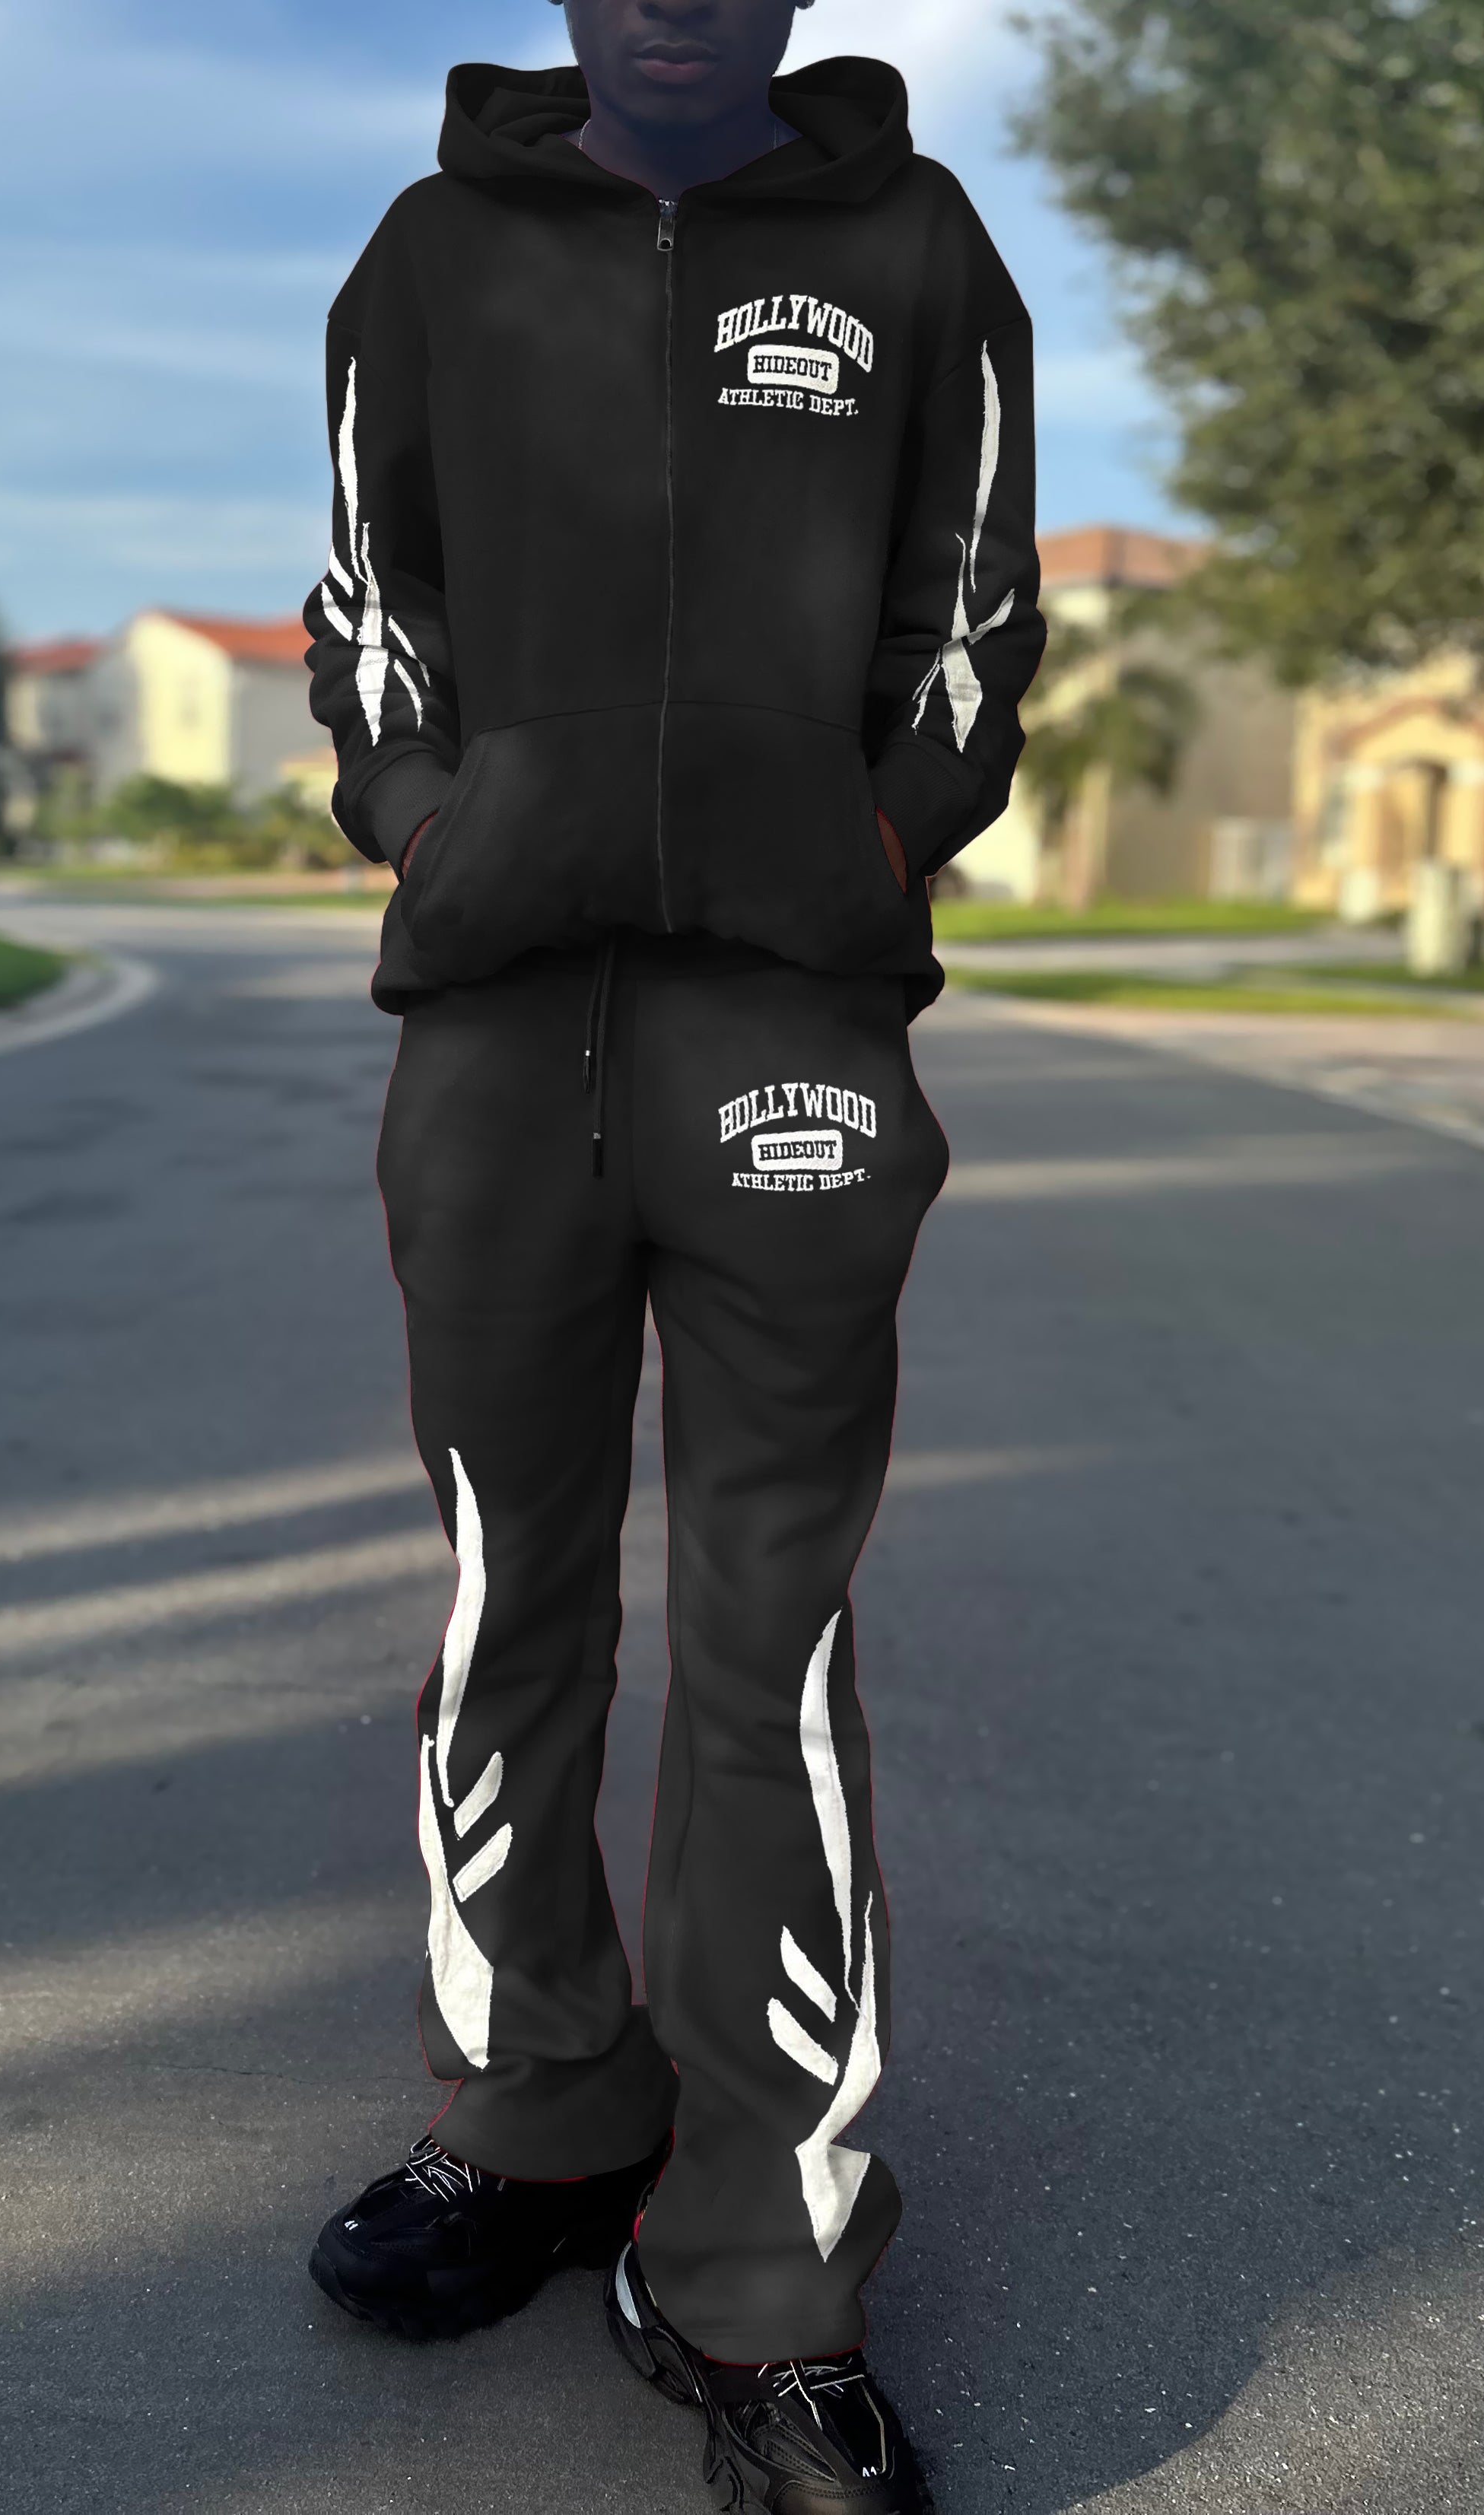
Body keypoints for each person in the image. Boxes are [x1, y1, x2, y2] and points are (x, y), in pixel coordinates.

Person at [300, 4, 1041, 2506]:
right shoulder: (429, 255)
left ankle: (757, 2263)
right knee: (509, 1585)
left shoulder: (916, 247)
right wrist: (437, 824)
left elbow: (975, 615)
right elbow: (366, 602)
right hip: (498, 1040)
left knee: (769, 1638)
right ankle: (542, 2097)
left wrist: (862, 848)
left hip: (786, 1037)